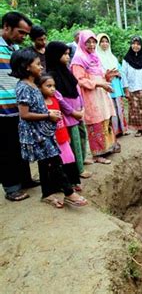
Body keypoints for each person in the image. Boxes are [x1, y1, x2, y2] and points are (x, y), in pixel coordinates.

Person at [11, 49, 87, 208]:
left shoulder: (33, 84)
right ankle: (69, 193)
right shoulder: (24, 87)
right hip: (36, 133)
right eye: (37, 64)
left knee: (47, 162)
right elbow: (24, 114)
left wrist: (47, 113)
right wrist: (47, 115)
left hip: (43, 131)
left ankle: (47, 194)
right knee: (55, 161)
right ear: (26, 67)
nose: (41, 67)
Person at [0, 11, 39, 202]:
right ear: (6, 26)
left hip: (18, 107)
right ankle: (11, 187)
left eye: (25, 33)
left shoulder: (15, 48)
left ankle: (25, 179)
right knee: (6, 150)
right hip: (2, 110)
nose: (23, 37)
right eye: (21, 32)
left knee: (20, 145)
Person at [71, 30, 119, 164]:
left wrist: (107, 77)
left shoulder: (95, 57)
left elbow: (99, 74)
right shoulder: (78, 59)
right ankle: (97, 154)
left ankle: (107, 148)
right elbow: (79, 80)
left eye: (93, 42)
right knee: (95, 121)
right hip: (90, 95)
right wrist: (98, 84)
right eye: (88, 42)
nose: (92, 45)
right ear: (82, 43)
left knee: (105, 117)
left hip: (101, 93)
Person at [45, 41, 92, 179]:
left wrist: (82, 107)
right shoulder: (52, 75)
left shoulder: (66, 71)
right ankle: (79, 169)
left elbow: (76, 89)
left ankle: (82, 159)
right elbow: (59, 98)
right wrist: (73, 112)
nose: (67, 57)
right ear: (55, 55)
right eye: (64, 54)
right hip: (69, 115)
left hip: (78, 111)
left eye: (68, 54)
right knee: (74, 141)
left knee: (82, 136)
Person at [39, 74, 82, 192]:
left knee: (70, 158)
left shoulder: (55, 99)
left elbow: (61, 119)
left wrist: (66, 136)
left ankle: (74, 181)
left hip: (62, 135)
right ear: (39, 88)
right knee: (59, 162)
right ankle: (62, 185)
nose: (52, 88)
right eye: (48, 86)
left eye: (54, 86)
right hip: (53, 139)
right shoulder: (41, 104)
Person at [96, 33, 128, 137]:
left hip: (116, 85)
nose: (105, 44)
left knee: (119, 107)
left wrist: (118, 73)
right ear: (98, 44)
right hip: (107, 85)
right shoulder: (96, 57)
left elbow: (120, 70)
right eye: (102, 42)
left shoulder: (112, 57)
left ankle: (122, 129)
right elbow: (98, 72)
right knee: (110, 107)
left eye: (106, 42)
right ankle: (114, 131)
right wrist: (108, 75)